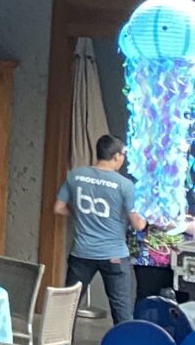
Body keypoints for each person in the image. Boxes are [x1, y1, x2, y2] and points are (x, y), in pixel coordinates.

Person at [53, 134, 138, 325]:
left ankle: (59, 343)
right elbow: (137, 224)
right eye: (123, 155)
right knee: (121, 310)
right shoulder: (125, 184)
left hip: (82, 252)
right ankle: (125, 344)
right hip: (114, 254)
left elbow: (58, 208)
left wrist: (79, 213)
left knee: (68, 307)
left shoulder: (75, 175)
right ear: (116, 156)